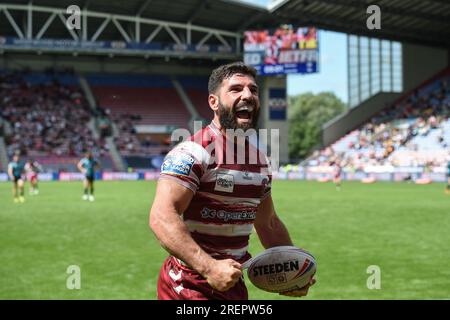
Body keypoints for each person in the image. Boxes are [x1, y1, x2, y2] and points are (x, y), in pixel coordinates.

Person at [149, 62, 315, 300]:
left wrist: (294, 270)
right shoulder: (193, 152)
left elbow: (268, 224)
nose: (248, 95)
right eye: (236, 89)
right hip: (189, 285)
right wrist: (209, 267)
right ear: (213, 102)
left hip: (233, 285)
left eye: (253, 90)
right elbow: (162, 216)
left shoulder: (259, 160)